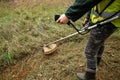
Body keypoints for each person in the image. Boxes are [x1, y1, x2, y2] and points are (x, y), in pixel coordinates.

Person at [56, 0, 120, 80]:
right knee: (99, 42)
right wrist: (88, 16)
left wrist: (68, 15)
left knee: (89, 51)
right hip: (110, 21)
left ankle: (89, 76)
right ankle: (96, 62)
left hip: (106, 22)